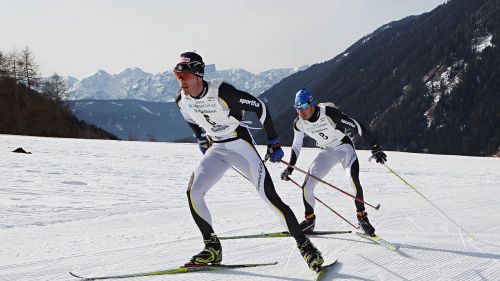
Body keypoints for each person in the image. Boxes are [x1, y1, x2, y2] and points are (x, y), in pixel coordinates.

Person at [173, 52, 324, 271]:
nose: (181, 81)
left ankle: (307, 247)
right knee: (193, 192)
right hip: (216, 148)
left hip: (239, 146)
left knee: (269, 197)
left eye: (185, 75)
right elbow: (189, 117)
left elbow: (259, 107)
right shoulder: (181, 99)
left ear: (198, 74)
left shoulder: (223, 93)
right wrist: (199, 137)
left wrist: (273, 141)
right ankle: (212, 247)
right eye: (177, 76)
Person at [280, 88, 387, 236]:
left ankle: (362, 218)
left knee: (353, 180)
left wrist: (375, 147)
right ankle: (309, 221)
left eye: (303, 106)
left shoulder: (329, 113)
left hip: (344, 148)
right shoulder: (298, 123)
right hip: (327, 151)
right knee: (307, 186)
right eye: (297, 108)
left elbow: (357, 126)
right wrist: (290, 168)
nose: (301, 111)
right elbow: (296, 145)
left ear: (311, 104)